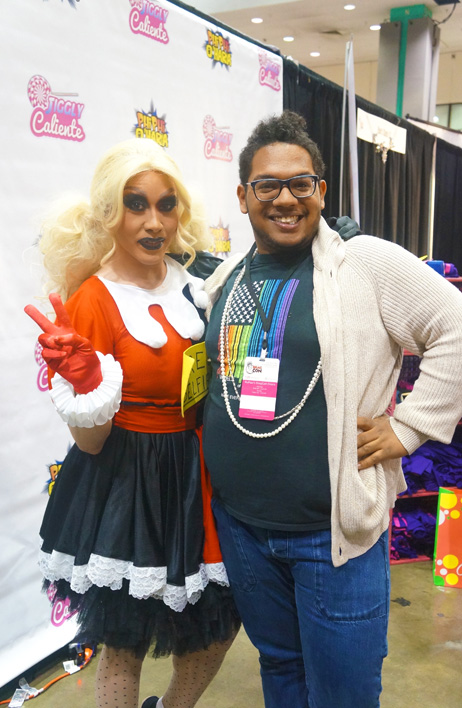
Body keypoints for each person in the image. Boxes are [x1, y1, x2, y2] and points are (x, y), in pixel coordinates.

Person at [201, 110, 462, 708]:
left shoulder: (364, 262)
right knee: (280, 667)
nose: (285, 198)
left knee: (343, 693)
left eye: (301, 183)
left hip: (332, 536)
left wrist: (410, 427)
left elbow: (455, 325)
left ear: (321, 190)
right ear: (243, 197)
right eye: (267, 185)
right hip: (243, 527)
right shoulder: (229, 276)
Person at [24, 138, 240, 708]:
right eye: (135, 204)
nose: (154, 222)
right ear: (108, 213)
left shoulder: (193, 283)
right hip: (126, 479)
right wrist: (86, 380)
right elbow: (90, 442)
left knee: (219, 623)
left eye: (166, 205)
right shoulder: (93, 300)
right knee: (125, 642)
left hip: (196, 473)